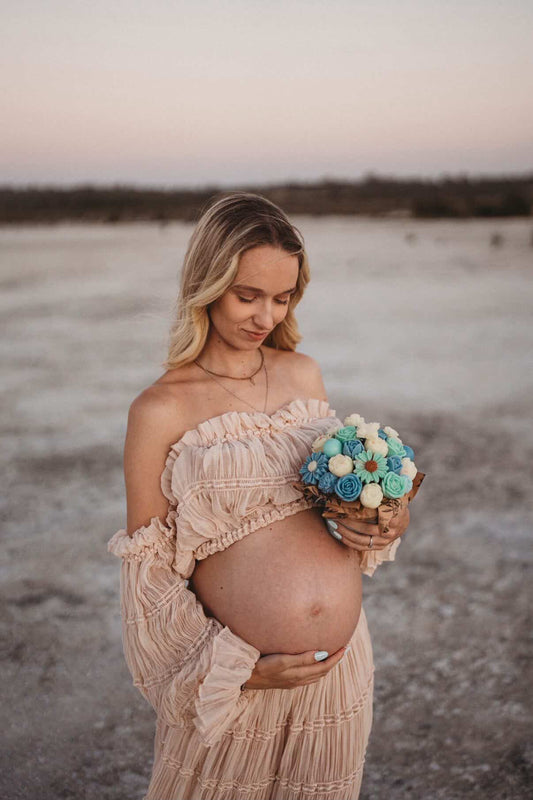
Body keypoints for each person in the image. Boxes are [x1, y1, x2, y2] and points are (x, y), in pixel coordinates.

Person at [108, 192, 410, 800]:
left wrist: (385, 517)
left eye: (283, 297)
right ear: (207, 283)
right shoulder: (159, 408)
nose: (265, 315)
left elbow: (333, 508)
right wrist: (236, 670)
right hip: (237, 680)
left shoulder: (303, 373)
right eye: (248, 295)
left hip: (336, 676)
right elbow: (151, 574)